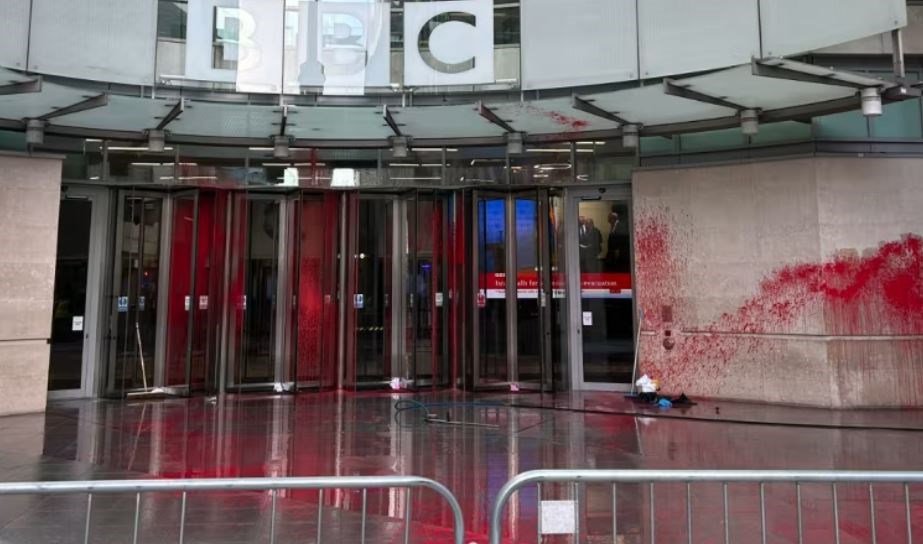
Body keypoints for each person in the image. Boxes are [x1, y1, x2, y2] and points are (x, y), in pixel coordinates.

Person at [604, 208, 631, 273]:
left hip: (619, 252)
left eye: (609, 219)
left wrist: (618, 249)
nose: (608, 220)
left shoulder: (621, 225)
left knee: (619, 269)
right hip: (613, 252)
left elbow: (623, 238)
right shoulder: (613, 226)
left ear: (613, 218)